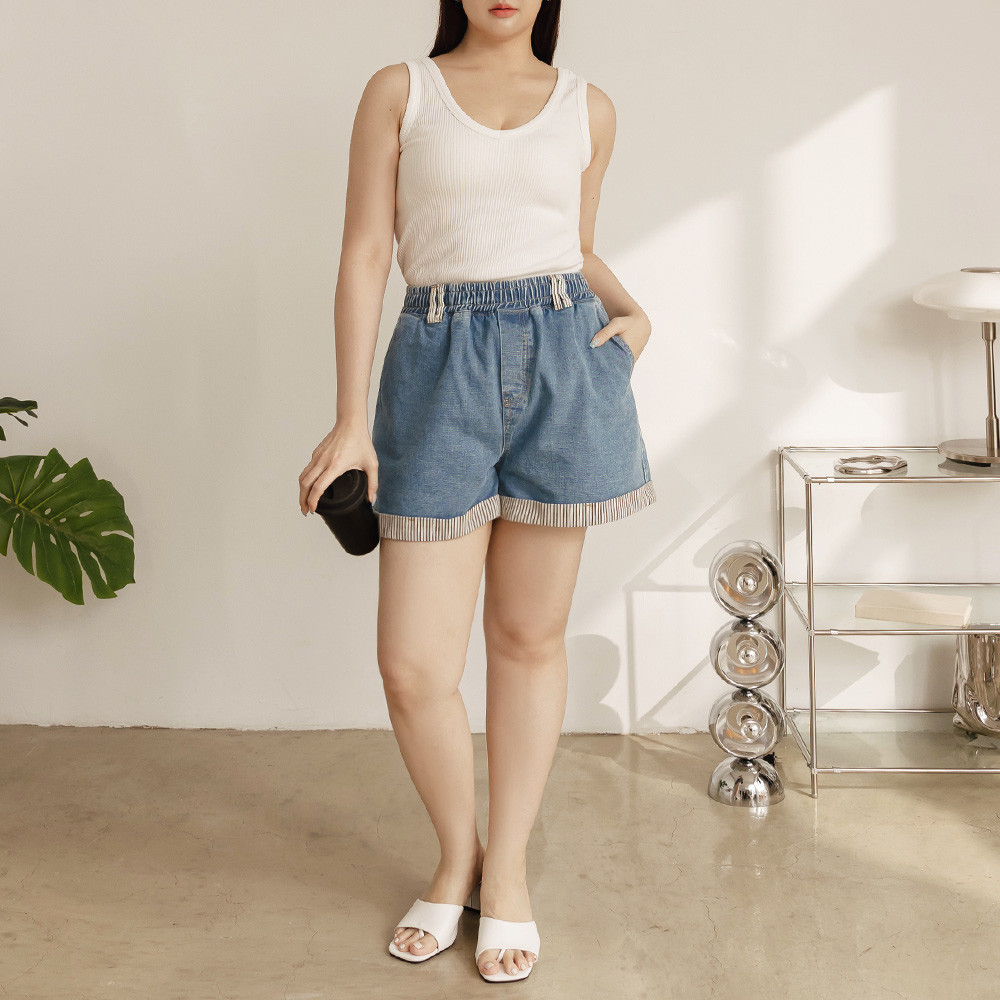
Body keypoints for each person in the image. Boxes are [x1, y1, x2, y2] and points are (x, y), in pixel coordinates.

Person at [298, 0, 656, 983]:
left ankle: (508, 877)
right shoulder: (400, 91)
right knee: (414, 665)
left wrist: (632, 314)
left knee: (527, 639)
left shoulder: (588, 106)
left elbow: (571, 242)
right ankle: (458, 855)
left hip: (563, 367)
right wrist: (350, 419)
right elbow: (366, 253)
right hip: (435, 368)